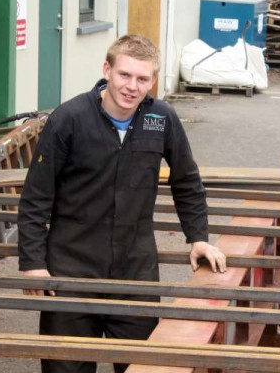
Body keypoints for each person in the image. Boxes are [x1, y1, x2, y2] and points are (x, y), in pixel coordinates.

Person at [17, 34, 226, 373]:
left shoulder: (162, 118)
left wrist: (198, 236)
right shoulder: (69, 119)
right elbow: (36, 196)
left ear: (153, 80)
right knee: (66, 368)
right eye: (124, 75)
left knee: (139, 366)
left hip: (135, 274)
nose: (132, 86)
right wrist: (33, 263)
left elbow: (186, 180)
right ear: (107, 70)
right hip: (72, 271)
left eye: (143, 78)